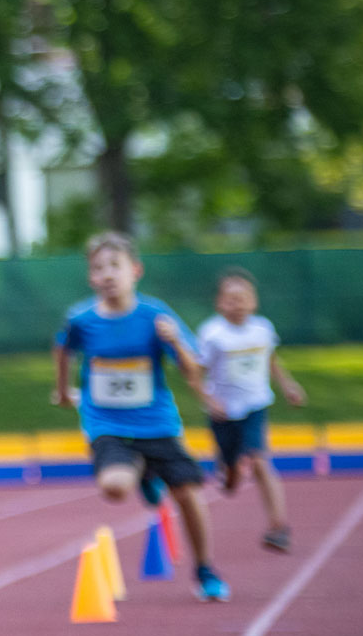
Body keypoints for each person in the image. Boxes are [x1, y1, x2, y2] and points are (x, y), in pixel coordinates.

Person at [52, 232, 230, 601]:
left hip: (156, 423)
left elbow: (192, 369)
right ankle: (145, 473)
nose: (107, 274)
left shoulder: (155, 315)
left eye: (115, 266)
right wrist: (63, 389)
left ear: (135, 270)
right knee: (115, 487)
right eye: (98, 268)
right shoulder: (81, 319)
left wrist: (175, 340)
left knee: (188, 493)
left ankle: (205, 569)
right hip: (107, 423)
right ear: (90, 277)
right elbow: (62, 348)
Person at [196, 268, 308, 552]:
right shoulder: (212, 334)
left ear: (254, 302)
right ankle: (229, 469)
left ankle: (278, 527)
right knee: (231, 480)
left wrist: (288, 385)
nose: (238, 305)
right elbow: (196, 373)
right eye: (231, 300)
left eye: (243, 299)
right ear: (219, 303)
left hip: (255, 405)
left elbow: (271, 360)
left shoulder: (262, 329)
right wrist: (209, 400)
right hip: (223, 412)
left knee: (259, 460)